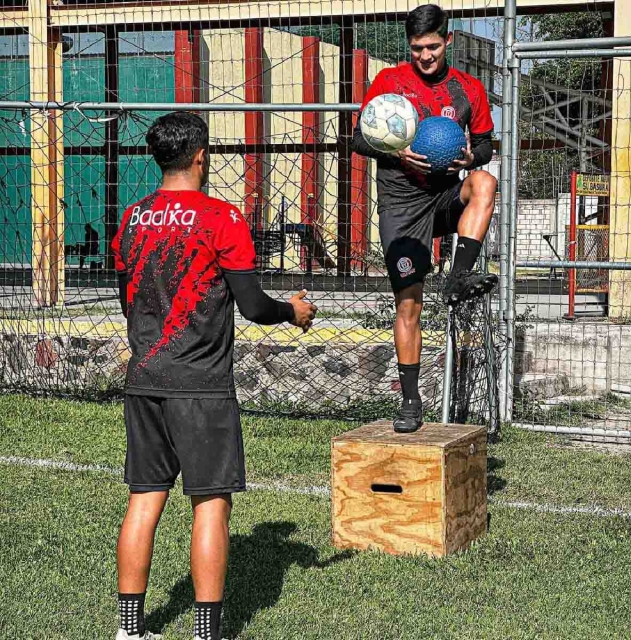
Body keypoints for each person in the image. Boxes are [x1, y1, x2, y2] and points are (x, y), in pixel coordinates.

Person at [111, 112, 317, 640]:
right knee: (210, 507)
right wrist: (292, 310)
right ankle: (207, 633)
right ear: (201, 155)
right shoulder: (221, 217)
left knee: (143, 500)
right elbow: (251, 305)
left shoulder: (132, 219)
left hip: (144, 377)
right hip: (200, 385)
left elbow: (127, 299)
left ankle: (130, 631)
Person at [351, 3, 498, 434]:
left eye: (433, 46)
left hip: (447, 194)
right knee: (409, 304)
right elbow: (359, 137)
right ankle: (411, 401)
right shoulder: (389, 83)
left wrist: (473, 155)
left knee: (485, 183)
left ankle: (458, 278)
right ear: (409, 46)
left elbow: (487, 144)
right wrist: (394, 150)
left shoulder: (468, 88)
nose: (426, 56)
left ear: (447, 40)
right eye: (417, 48)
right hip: (401, 202)